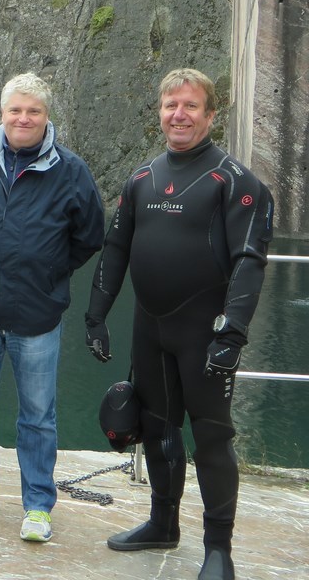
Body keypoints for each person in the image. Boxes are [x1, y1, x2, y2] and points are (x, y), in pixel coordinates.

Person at [84, 69, 273, 580]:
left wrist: (232, 331)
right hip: (151, 328)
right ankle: (162, 524)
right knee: (156, 429)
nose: (179, 115)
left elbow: (249, 260)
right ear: (160, 112)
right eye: (171, 105)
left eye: (191, 106)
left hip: (203, 333)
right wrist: (96, 315)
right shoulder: (142, 179)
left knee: (211, 439)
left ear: (211, 115)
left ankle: (219, 550)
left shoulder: (235, 182)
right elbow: (116, 246)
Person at [0, 72, 104, 543]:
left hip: (37, 316)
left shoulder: (70, 170)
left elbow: (89, 236)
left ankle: (38, 504)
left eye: (33, 111)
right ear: (2, 114)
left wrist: (49, 270)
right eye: (16, 110)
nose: (23, 118)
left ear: (47, 117)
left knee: (37, 416)